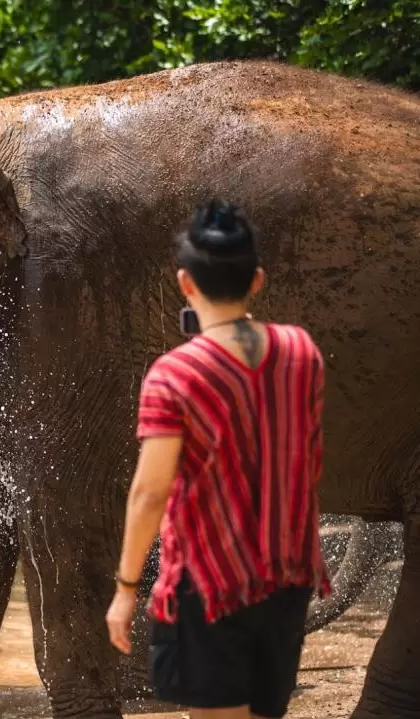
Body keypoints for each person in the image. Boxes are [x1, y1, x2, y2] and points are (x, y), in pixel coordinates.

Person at [105, 199, 332, 719]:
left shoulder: (174, 374)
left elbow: (149, 492)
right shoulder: (302, 351)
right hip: (285, 576)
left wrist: (125, 588)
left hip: (208, 581)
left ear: (186, 283)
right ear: (257, 280)